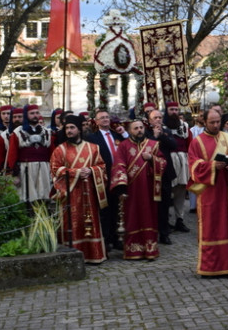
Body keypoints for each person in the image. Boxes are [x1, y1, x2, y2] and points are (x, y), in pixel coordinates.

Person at [188, 108, 228, 277]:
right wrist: (213, 166)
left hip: (226, 190)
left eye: (218, 121)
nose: (215, 125)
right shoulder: (197, 142)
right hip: (208, 192)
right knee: (211, 227)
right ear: (204, 121)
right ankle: (210, 267)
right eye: (212, 122)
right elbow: (193, 166)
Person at [50, 115, 108, 264]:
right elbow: (55, 170)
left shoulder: (93, 148)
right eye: (67, 128)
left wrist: (91, 170)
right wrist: (75, 172)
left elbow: (102, 167)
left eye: (72, 128)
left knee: (90, 223)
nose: (69, 131)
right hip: (70, 194)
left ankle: (93, 255)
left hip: (89, 192)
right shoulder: (60, 150)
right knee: (71, 224)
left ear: (79, 129)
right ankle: (72, 257)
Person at [110, 119, 167, 261]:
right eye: (136, 128)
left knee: (149, 216)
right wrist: (121, 185)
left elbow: (163, 162)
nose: (139, 130)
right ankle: (133, 250)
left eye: (141, 127)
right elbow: (118, 165)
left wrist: (152, 159)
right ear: (129, 130)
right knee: (133, 217)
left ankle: (150, 249)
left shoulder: (153, 145)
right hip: (132, 190)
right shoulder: (123, 146)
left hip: (149, 189)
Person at [86, 109, 125, 251]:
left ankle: (117, 239)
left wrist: (124, 133)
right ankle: (106, 239)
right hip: (102, 177)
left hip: (118, 177)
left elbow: (128, 147)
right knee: (105, 210)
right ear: (96, 121)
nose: (105, 119)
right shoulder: (92, 138)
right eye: (102, 118)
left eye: (107, 117)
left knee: (118, 209)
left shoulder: (117, 136)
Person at [10, 104, 52, 204]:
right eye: (32, 113)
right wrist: (14, 174)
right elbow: (12, 153)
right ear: (26, 115)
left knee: (44, 195)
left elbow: (52, 152)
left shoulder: (47, 131)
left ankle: (44, 218)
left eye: (37, 113)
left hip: (44, 168)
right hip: (26, 168)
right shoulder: (17, 132)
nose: (35, 115)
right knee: (27, 197)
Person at [147, 108, 177, 245]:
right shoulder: (145, 132)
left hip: (165, 173)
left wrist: (162, 135)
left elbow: (173, 145)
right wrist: (154, 136)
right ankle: (151, 232)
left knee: (165, 204)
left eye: (159, 117)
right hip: (150, 173)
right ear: (149, 120)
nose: (158, 120)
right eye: (155, 118)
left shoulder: (167, 131)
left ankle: (164, 233)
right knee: (151, 204)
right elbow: (146, 149)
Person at [164, 102, 191, 233]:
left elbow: (189, 143)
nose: (174, 112)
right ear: (166, 110)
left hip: (183, 161)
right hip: (168, 161)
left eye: (176, 109)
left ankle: (179, 219)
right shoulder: (162, 125)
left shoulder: (185, 126)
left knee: (181, 189)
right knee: (167, 190)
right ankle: (166, 221)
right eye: (171, 109)